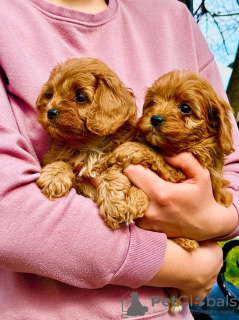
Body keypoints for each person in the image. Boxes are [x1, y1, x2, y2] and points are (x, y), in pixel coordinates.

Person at [0, 0, 238, 319]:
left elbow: (231, 166)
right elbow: (10, 215)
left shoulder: (173, 18)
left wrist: (216, 221)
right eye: (152, 104)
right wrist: (185, 267)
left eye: (80, 98)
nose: (54, 108)